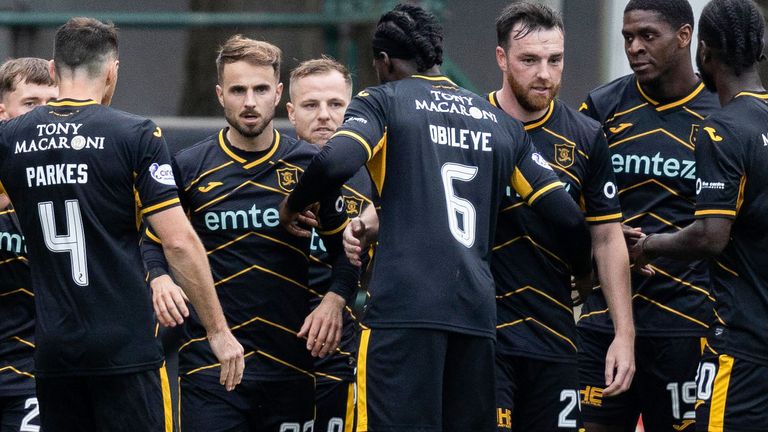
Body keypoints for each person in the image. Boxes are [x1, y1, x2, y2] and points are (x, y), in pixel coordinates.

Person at [280, 4, 593, 431]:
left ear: (384, 62)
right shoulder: (500, 124)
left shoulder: (384, 101)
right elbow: (568, 218)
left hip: (402, 313)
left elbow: (335, 162)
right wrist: (582, 270)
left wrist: (294, 203)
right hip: (477, 318)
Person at [0, 17, 243, 431]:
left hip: (54, 351)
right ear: (113, 70)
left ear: (54, 70)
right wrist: (218, 331)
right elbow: (179, 242)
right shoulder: (136, 134)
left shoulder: (10, 138)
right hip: (125, 349)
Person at [141, 35, 358, 431]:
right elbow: (153, 241)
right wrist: (158, 279)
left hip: (290, 364)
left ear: (277, 95)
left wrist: (334, 299)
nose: (250, 102)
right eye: (238, 90)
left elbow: (344, 252)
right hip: (210, 366)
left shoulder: (311, 166)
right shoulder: (188, 166)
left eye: (260, 89)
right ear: (220, 94)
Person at [487, 3, 634, 431]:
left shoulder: (586, 135)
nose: (545, 74)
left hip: (556, 337)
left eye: (555, 59)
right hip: (485, 337)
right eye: (529, 60)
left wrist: (624, 335)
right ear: (501, 58)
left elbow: (607, 238)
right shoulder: (471, 125)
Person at [577, 1, 720, 430]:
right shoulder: (601, 107)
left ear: (684, 36)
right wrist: (596, 229)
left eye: (647, 36)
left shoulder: (722, 112)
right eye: (627, 37)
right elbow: (567, 200)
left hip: (688, 323)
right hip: (604, 321)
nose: (634, 47)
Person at [630, 1, 768, 430]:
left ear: (703, 52)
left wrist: (646, 247)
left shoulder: (721, 129)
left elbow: (710, 236)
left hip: (742, 348)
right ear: (761, 48)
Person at [287, 57, 373, 432]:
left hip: (349, 352)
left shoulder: (379, 179)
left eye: (336, 105)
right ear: (290, 112)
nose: (324, 115)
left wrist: (380, 217)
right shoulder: (266, 171)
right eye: (311, 105)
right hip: (277, 350)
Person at [0, 57, 56, 432]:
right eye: (32, 104)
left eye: (53, 105)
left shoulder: (69, 184)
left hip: (32, 377)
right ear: (3, 113)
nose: (44, 117)